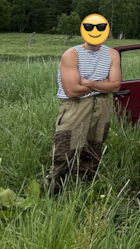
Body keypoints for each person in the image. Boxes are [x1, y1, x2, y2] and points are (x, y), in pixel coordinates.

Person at [46, 22, 121, 193]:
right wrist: (102, 84)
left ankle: (84, 190)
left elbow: (115, 86)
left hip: (102, 105)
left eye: (101, 28)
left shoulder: (112, 54)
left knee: (93, 150)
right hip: (76, 106)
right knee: (65, 151)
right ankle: (52, 192)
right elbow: (72, 90)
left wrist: (86, 82)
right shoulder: (72, 54)